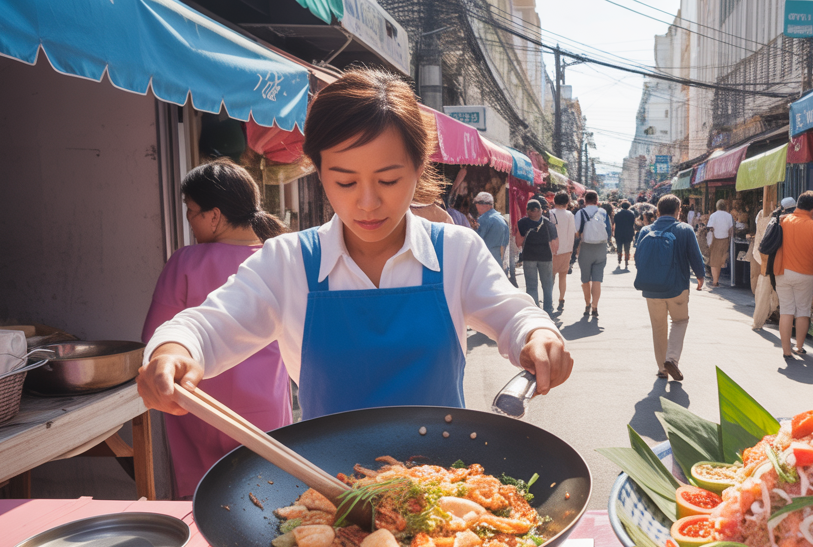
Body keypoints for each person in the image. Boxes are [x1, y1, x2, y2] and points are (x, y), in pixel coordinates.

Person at [137, 67, 573, 427]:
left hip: (443, 494)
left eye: (388, 180)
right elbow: (207, 327)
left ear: (419, 168)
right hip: (330, 496)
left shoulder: (456, 251)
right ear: (320, 171)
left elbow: (514, 313)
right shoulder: (287, 261)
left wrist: (538, 336)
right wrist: (172, 352)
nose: (367, 202)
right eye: (345, 181)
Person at [141, 159, 292, 499]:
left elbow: (155, 335)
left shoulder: (184, 261)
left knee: (205, 502)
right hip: (264, 406)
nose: (190, 221)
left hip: (197, 406)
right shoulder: (275, 258)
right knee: (269, 497)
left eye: (191, 211)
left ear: (214, 215)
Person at [634, 194, 705, 381]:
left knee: (658, 327)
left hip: (651, 289)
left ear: (657, 211)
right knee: (680, 321)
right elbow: (695, 257)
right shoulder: (685, 229)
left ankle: (662, 368)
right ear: (678, 211)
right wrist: (700, 277)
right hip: (677, 287)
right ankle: (672, 359)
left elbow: (638, 259)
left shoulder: (645, 231)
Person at [774, 191, 813, 360]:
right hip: (804, 273)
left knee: (786, 311)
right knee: (803, 311)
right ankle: (799, 347)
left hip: (782, 271)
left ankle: (786, 350)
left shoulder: (784, 221)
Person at [751, 196, 796, 331]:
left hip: (768, 262)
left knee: (764, 293)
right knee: (786, 296)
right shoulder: (793, 222)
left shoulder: (769, 219)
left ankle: (757, 322)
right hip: (784, 264)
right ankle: (788, 325)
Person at [516, 200, 559, 314]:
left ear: (527, 211)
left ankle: (534, 310)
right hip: (545, 257)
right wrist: (553, 254)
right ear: (540, 210)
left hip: (529, 256)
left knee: (531, 285)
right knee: (547, 284)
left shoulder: (522, 223)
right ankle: (548, 309)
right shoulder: (548, 223)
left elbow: (518, 242)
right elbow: (555, 243)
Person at [575, 190, 612, 317]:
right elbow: (609, 230)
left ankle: (587, 304)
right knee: (597, 280)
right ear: (597, 201)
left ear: (585, 201)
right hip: (601, 248)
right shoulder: (603, 212)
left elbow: (576, 232)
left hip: (586, 248)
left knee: (585, 279)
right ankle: (595, 306)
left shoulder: (580, 213)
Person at [549, 192, 577, 312]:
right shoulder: (569, 215)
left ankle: (548, 299)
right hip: (565, 249)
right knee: (563, 277)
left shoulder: (550, 213)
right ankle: (561, 299)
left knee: (550, 277)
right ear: (567, 202)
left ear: (554, 201)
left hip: (550, 250)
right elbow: (571, 234)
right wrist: (571, 250)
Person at [474, 191, 510, 271]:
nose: (476, 207)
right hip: (499, 261)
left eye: (476, 203)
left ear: (485, 205)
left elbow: (476, 241)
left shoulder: (484, 220)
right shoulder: (502, 219)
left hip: (486, 262)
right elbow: (505, 243)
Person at [706, 199, 735, 286]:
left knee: (714, 261)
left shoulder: (713, 215)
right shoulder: (729, 216)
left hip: (716, 239)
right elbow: (731, 229)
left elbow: (710, 227)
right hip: (726, 239)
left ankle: (715, 281)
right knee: (720, 260)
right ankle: (716, 279)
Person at [614, 200, 637, 271]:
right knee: (627, 248)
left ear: (621, 206)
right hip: (628, 233)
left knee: (619, 247)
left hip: (618, 232)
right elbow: (633, 223)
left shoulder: (617, 214)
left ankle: (619, 259)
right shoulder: (631, 214)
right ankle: (626, 261)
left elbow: (615, 222)